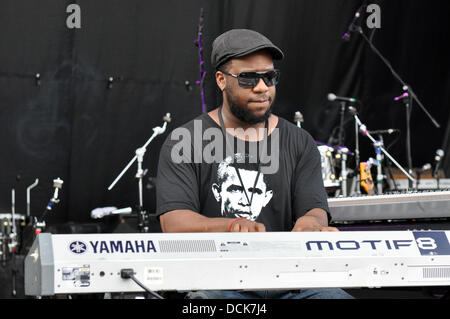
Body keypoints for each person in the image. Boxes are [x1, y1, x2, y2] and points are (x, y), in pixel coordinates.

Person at [155, 29, 353, 299]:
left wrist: (310, 223)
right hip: (217, 284)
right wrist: (233, 226)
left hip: (289, 284)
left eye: (269, 77)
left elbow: (314, 208)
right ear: (221, 80)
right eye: (248, 78)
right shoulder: (185, 141)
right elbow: (174, 223)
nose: (262, 88)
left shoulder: (299, 141)